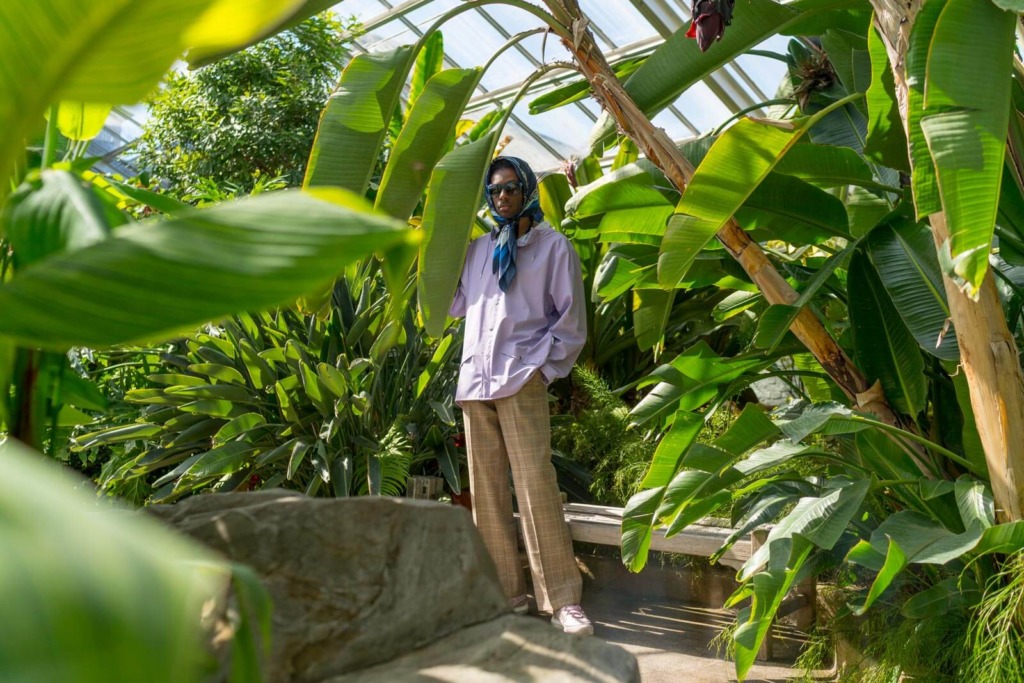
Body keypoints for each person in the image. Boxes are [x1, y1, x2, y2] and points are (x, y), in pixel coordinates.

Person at [449, 156, 592, 636]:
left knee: (535, 486)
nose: (503, 197)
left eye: (511, 188)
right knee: (486, 492)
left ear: (527, 190)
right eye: (494, 192)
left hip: (521, 379)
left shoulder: (553, 248)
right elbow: (453, 306)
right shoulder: (476, 250)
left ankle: (563, 601)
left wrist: (543, 373)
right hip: (476, 382)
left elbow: (569, 324)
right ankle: (506, 595)